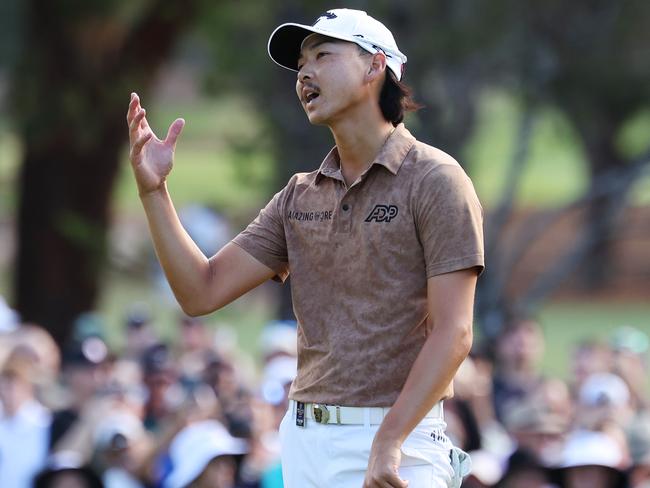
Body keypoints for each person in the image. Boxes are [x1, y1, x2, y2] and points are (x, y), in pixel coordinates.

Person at [126, 7, 484, 487]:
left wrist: (390, 441)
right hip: (306, 443)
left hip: (401, 441)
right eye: (300, 65)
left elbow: (455, 332)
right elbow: (201, 291)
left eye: (323, 55)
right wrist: (154, 192)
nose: (305, 74)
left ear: (376, 66)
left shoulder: (437, 180)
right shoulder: (300, 195)